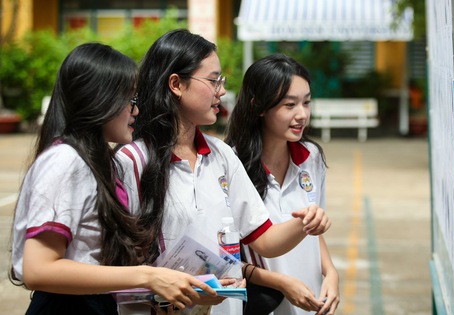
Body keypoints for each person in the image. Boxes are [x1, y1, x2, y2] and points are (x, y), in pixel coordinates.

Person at [115, 29, 331, 315]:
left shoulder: (222, 156)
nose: (222, 91)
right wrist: (162, 297)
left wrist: (305, 223)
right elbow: (113, 266)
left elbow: (264, 241)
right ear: (176, 84)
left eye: (222, 81)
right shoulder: (131, 161)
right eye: (214, 80)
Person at [9, 43, 229, 315]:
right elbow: (38, 269)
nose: (135, 111)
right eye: (130, 100)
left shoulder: (96, 162)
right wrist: (148, 276)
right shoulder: (66, 161)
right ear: (100, 100)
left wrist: (182, 286)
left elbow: (100, 268)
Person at [224, 54, 340, 315]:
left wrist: (331, 273)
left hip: (310, 302)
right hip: (264, 305)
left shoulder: (312, 157)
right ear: (259, 106)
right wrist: (281, 283)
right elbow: (226, 257)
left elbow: (313, 230)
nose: (302, 115)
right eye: (290, 105)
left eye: (306, 103)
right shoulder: (231, 164)